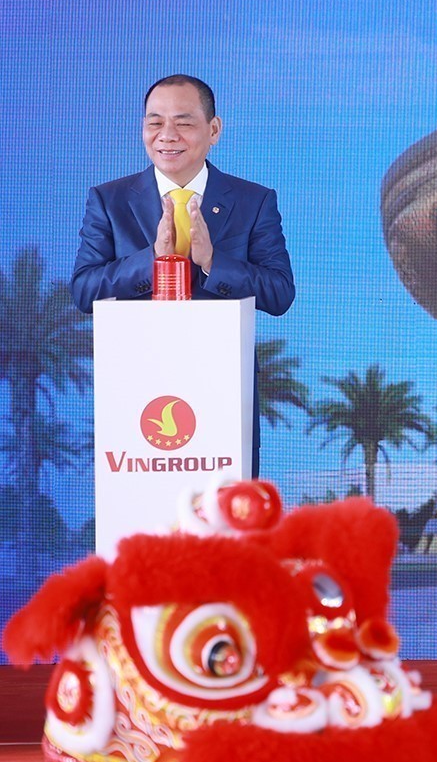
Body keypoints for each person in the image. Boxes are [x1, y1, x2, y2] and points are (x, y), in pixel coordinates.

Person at [73, 75, 297, 469]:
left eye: (184, 122)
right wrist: (151, 259)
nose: (167, 135)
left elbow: (279, 293)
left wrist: (213, 262)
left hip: (222, 392)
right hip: (136, 391)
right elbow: (83, 291)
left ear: (214, 130)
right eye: (155, 122)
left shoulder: (253, 200)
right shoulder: (109, 200)